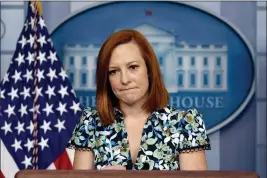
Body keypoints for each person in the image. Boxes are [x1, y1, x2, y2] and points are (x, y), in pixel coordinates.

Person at [67, 29, 211, 170]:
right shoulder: (90, 125)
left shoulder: (185, 124)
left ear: (149, 70)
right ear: (106, 79)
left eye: (133, 67)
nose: (124, 79)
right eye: (113, 71)